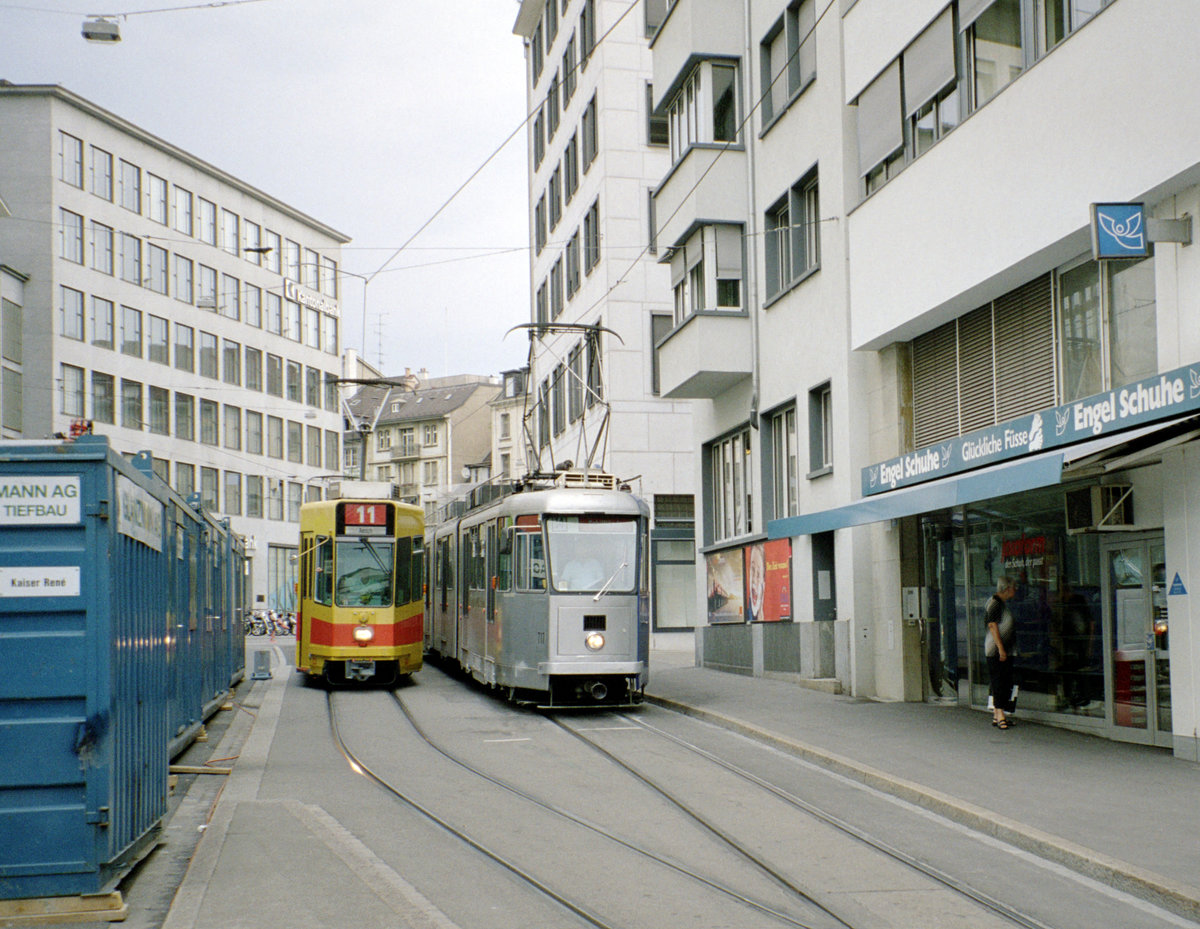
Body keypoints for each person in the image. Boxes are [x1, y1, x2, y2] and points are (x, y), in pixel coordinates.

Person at [985, 575, 1018, 729]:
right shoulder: (995, 603)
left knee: (1002, 682)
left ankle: (997, 714)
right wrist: (1000, 648)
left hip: (1004, 649)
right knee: (1000, 682)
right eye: (1014, 587)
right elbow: (992, 626)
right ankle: (1001, 715)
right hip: (997, 651)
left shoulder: (1002, 604)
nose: (1015, 590)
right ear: (1007, 589)